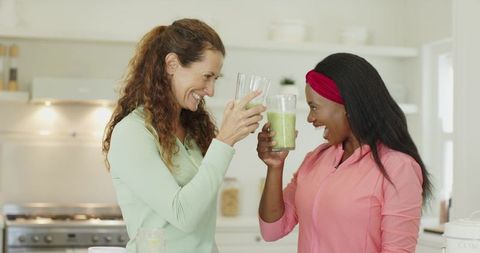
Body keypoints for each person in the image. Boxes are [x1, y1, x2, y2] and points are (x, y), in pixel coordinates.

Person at [102, 19, 265, 253]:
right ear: (172, 64)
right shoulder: (133, 132)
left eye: (215, 79)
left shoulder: (189, 130)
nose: (211, 90)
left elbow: (200, 227)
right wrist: (225, 141)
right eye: (206, 76)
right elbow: (183, 215)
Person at [256, 52, 432, 253]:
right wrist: (275, 167)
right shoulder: (315, 160)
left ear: (348, 105)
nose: (310, 118)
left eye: (314, 107)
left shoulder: (398, 167)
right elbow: (272, 230)